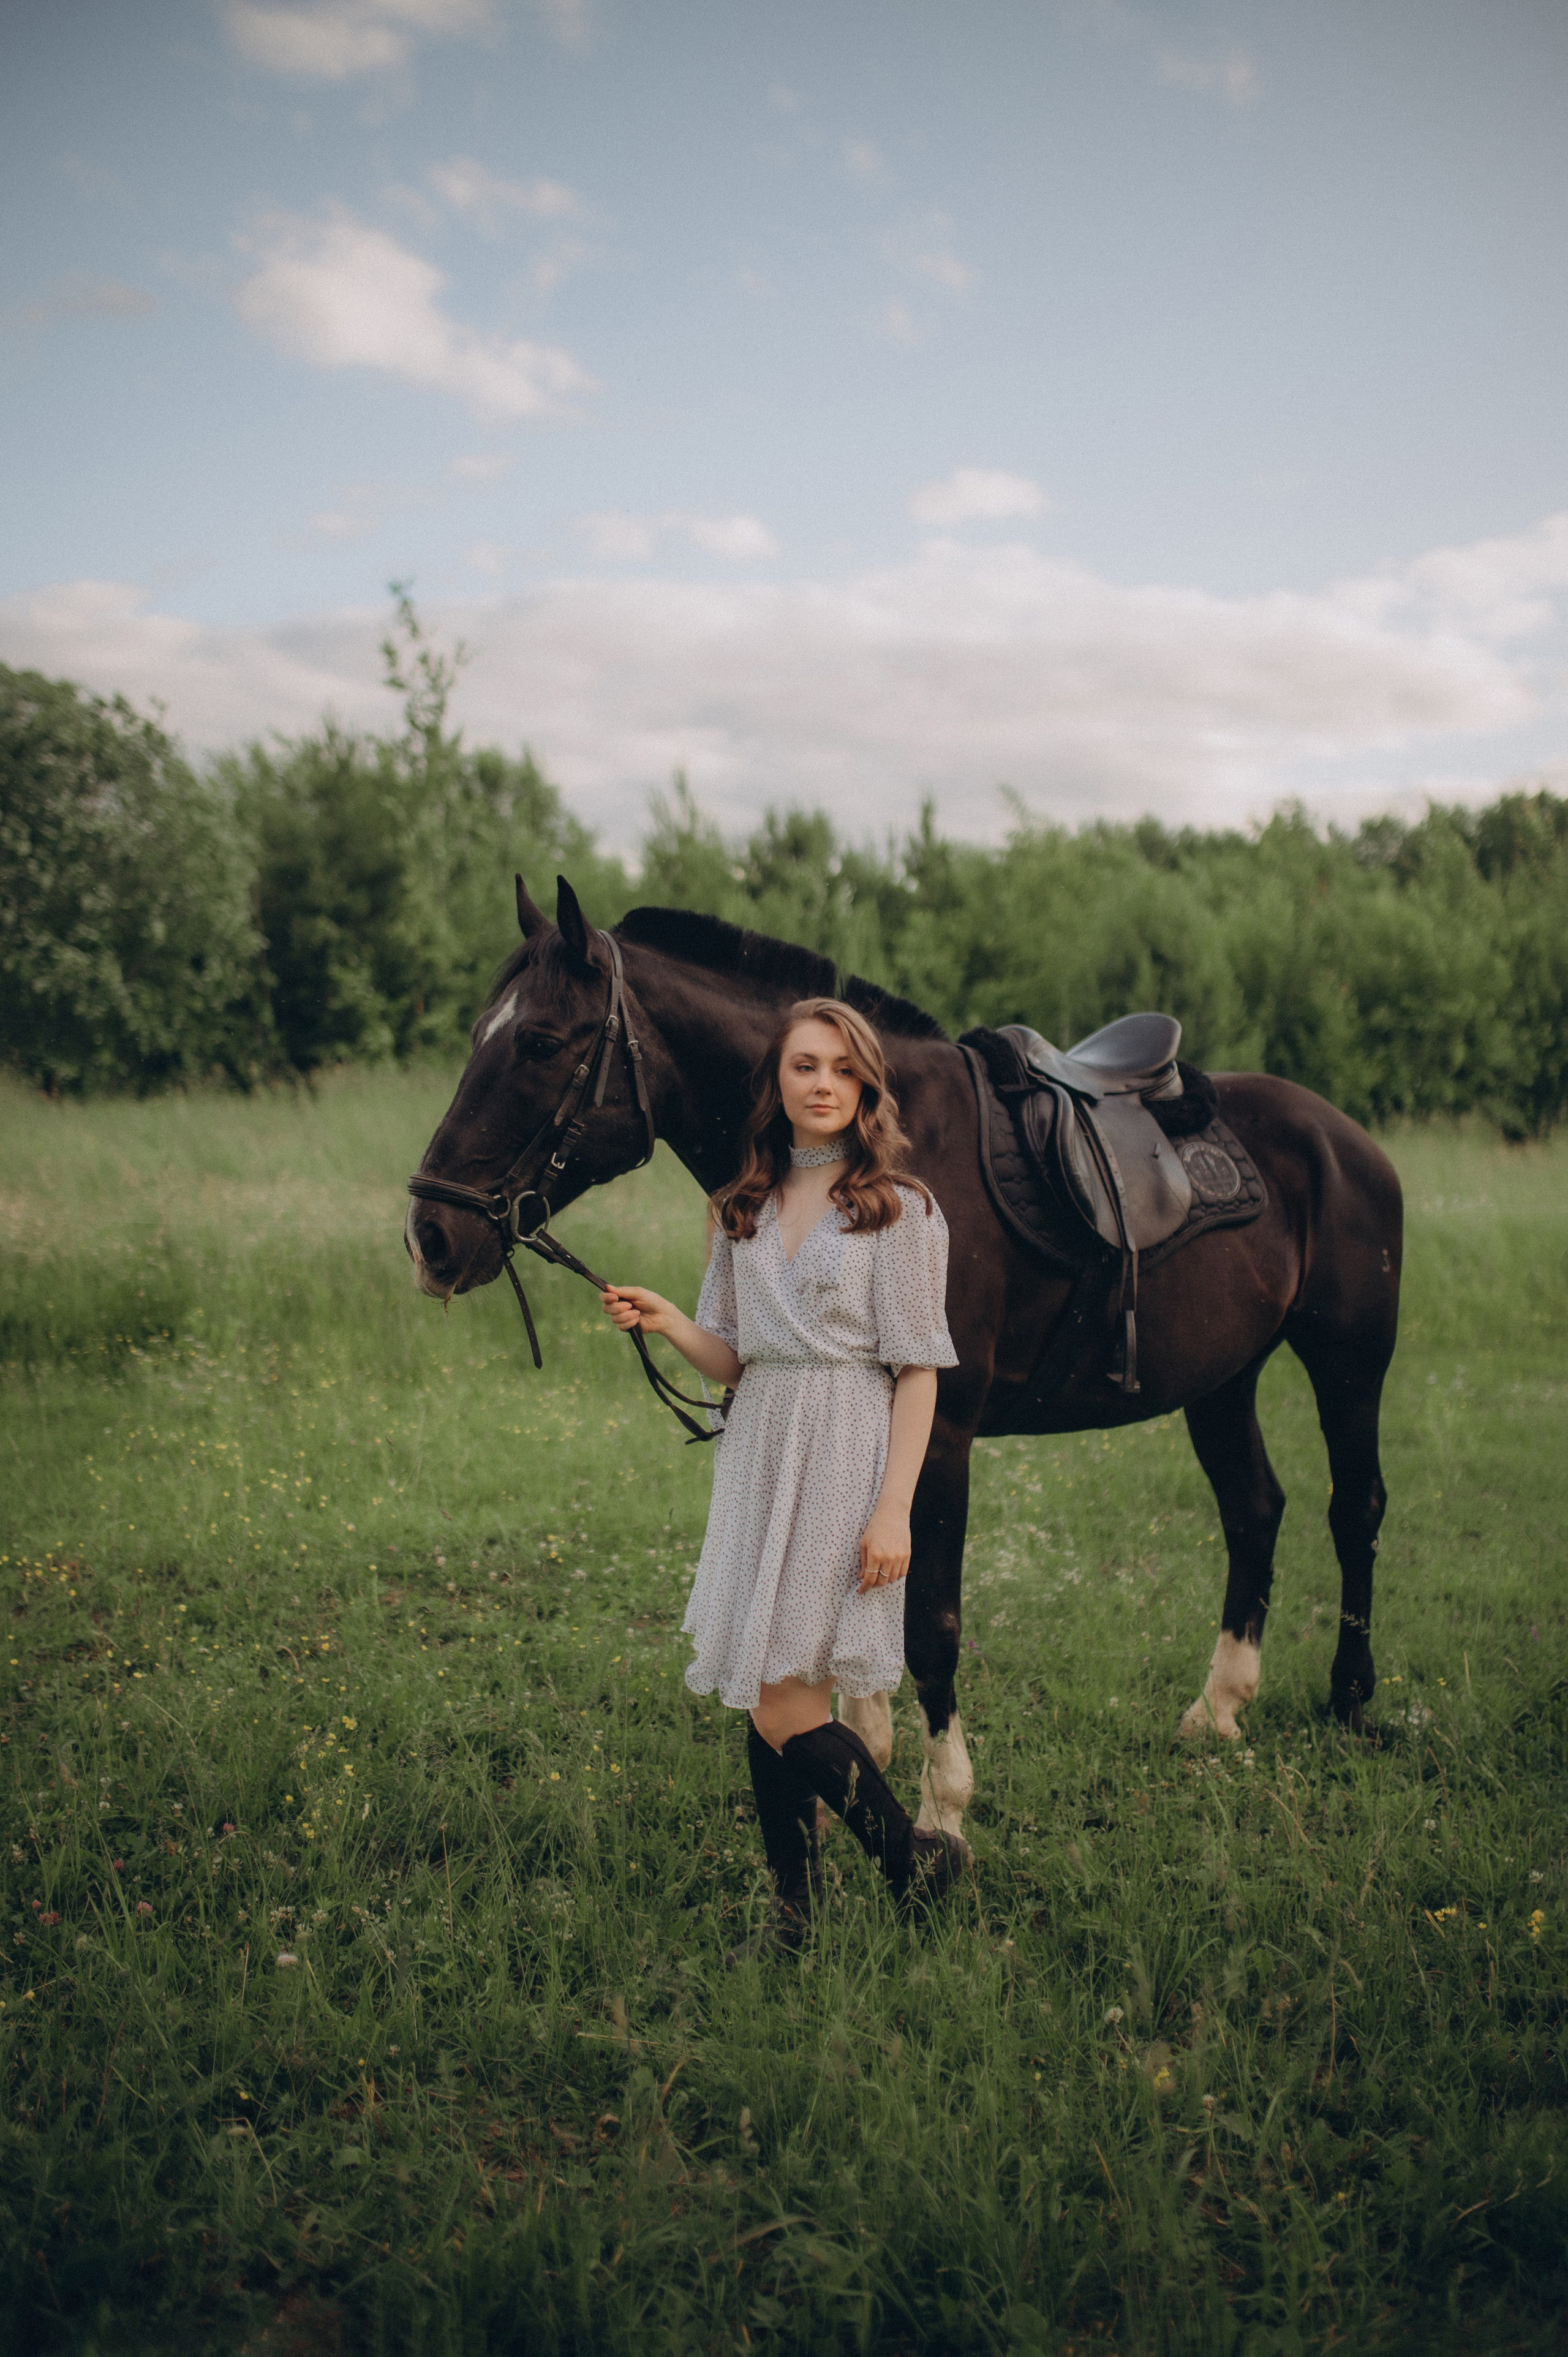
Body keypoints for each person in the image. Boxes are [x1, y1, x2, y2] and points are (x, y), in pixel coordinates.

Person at [601, 995, 969, 1957]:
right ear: (776, 1080)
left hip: (848, 1444)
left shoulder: (901, 1210)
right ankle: (794, 1917)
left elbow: (919, 1368)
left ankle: (910, 1858)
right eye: (806, 1065)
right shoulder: (740, 1207)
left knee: (777, 1693)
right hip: (761, 1445)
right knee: (774, 1681)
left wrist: (895, 1509)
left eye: (845, 1070)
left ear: (868, 1087)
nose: (824, 1085)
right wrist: (671, 1322)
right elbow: (736, 1358)